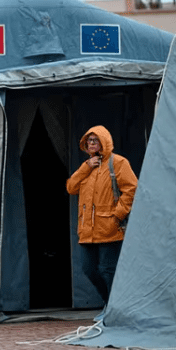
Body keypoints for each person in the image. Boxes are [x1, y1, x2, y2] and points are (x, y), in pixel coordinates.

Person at [66, 125, 137, 320]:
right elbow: (71, 187)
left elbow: (131, 189)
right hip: (87, 229)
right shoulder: (87, 166)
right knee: (88, 269)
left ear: (104, 142)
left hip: (109, 227)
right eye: (88, 140)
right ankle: (110, 303)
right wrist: (85, 167)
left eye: (94, 140)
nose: (90, 143)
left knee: (108, 269)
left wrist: (118, 215)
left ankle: (115, 308)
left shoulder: (118, 163)